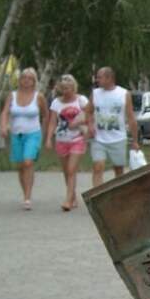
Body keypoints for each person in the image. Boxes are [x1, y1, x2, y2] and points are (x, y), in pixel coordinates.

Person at [0, 67, 48, 209]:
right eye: (23, 78)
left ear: (34, 81)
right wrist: (3, 126)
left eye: (29, 78)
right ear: (19, 80)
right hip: (16, 134)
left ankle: (28, 197)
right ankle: (25, 192)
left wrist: (44, 134)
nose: (26, 81)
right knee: (20, 166)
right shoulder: (12, 95)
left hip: (33, 134)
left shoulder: (39, 97)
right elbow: (5, 112)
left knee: (28, 162)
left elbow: (46, 115)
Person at [45, 74, 90, 210]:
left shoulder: (81, 100)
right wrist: (48, 139)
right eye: (63, 88)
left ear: (73, 87)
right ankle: (73, 196)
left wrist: (83, 125)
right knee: (66, 171)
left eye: (68, 88)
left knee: (71, 170)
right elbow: (52, 122)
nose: (66, 91)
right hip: (61, 139)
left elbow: (90, 115)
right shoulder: (56, 103)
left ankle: (68, 201)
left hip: (77, 139)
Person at [89, 66, 138, 185]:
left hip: (118, 138)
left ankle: (118, 193)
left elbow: (131, 118)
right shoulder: (95, 93)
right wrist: (90, 125)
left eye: (99, 77)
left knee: (118, 170)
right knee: (98, 166)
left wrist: (135, 140)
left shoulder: (124, 94)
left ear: (109, 78)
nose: (97, 80)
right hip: (98, 139)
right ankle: (98, 194)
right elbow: (88, 112)